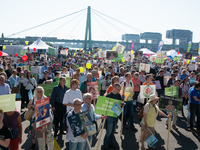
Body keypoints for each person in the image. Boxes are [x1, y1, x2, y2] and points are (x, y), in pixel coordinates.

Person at [102, 83, 125, 150]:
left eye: (120, 89)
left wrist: (122, 104)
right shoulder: (108, 95)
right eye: (118, 89)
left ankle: (111, 143)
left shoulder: (118, 95)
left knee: (112, 131)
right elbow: (105, 105)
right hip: (110, 115)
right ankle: (105, 145)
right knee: (109, 131)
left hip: (116, 114)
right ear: (114, 88)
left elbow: (120, 102)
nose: (119, 90)